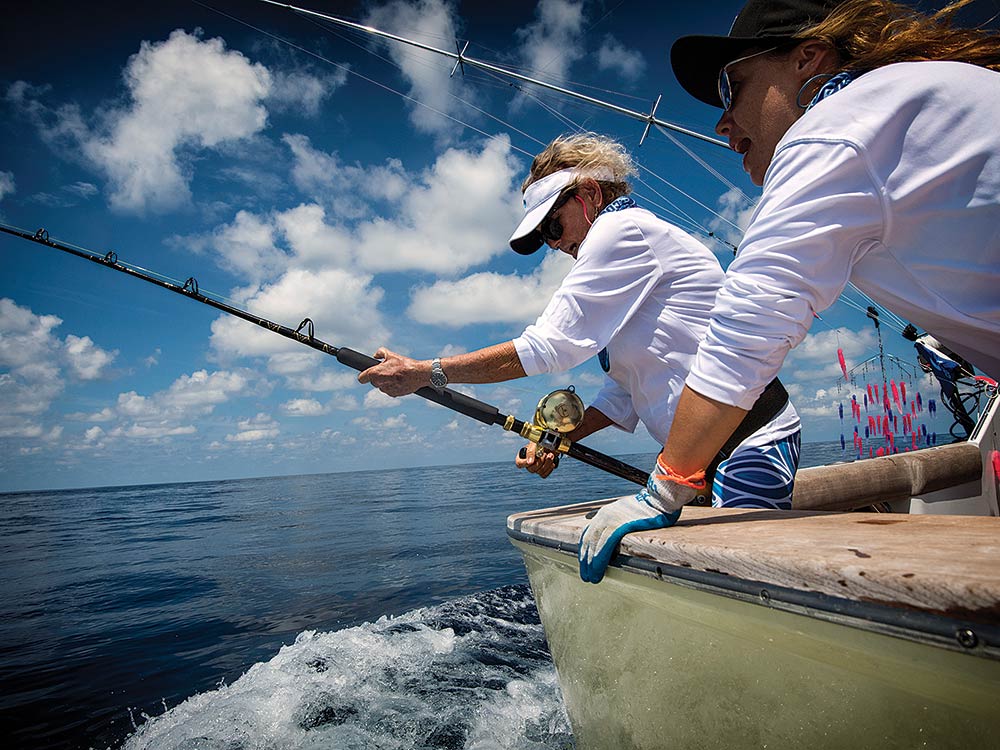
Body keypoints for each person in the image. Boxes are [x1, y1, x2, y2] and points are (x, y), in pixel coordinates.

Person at [583, 0, 1000, 582]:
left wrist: (666, 487)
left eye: (732, 88)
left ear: (808, 59)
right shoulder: (915, 98)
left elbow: (750, 323)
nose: (722, 123)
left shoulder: (835, 130)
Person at [358, 133, 802, 580]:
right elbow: (623, 394)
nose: (553, 244)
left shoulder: (620, 230)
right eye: (543, 236)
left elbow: (548, 347)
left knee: (743, 582)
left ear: (589, 194)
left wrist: (428, 373)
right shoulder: (624, 268)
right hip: (696, 456)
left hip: (749, 440)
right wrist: (559, 438)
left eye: (553, 226)